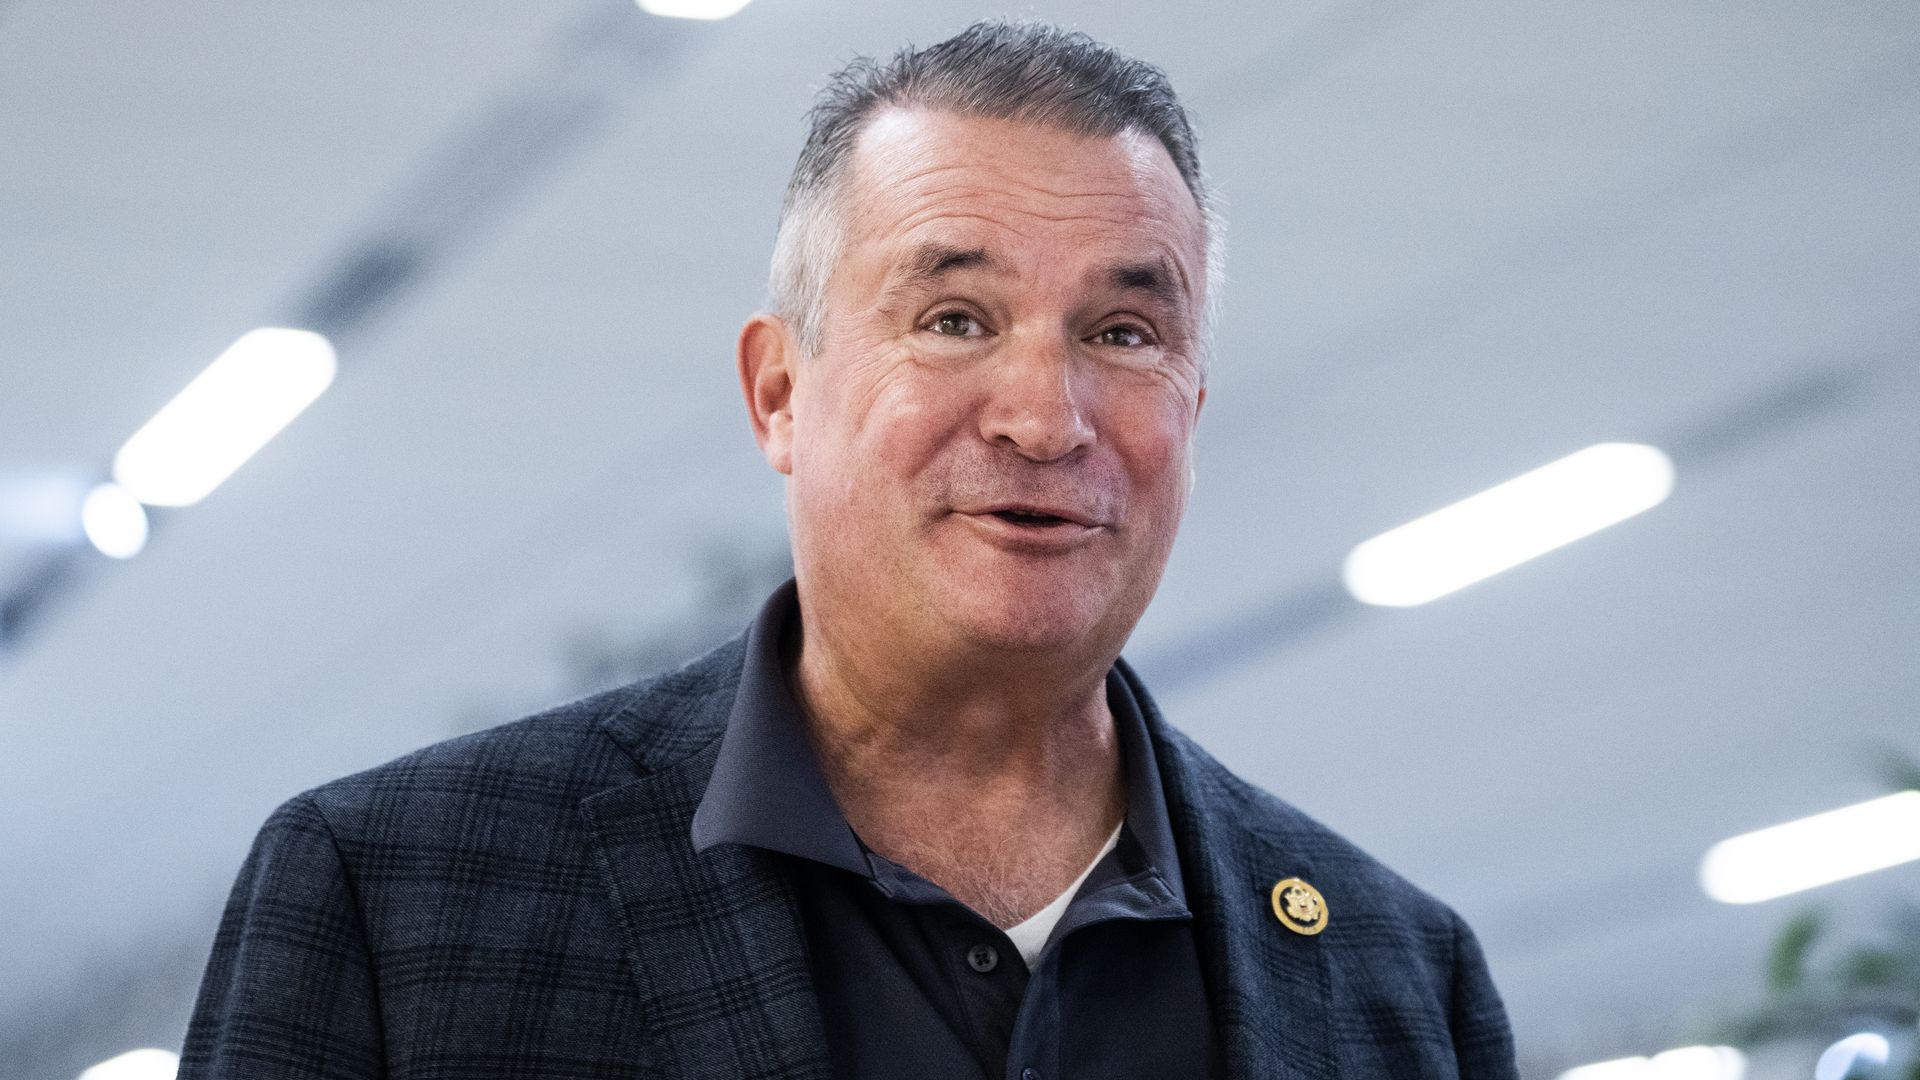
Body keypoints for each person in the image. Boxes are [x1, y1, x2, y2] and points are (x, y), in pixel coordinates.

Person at [181, 20, 1517, 1080]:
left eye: (1122, 333)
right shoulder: (394, 897)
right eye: (951, 317)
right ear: (779, 394)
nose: (1046, 418)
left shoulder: (1403, 983)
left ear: (1192, 410)